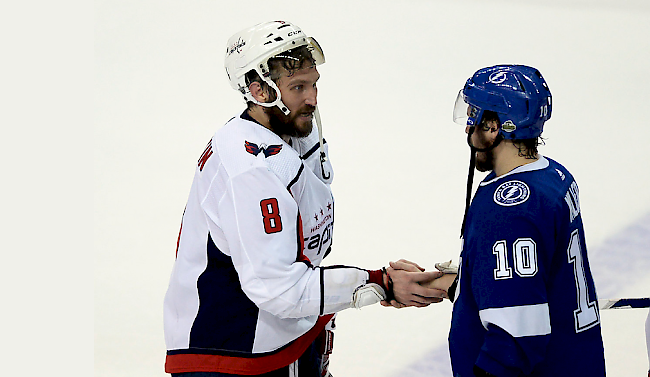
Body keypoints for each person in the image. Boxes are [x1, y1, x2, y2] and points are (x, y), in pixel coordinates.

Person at [162, 21, 445, 377]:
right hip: (230, 355)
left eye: (313, 84)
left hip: (281, 337)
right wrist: (379, 282)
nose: (312, 98)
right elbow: (277, 289)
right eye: (298, 87)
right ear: (260, 91)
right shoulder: (248, 170)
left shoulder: (293, 130)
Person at [423, 65, 606, 376]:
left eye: (472, 115)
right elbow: (538, 279)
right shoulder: (554, 177)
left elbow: (518, 338)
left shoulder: (509, 209)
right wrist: (467, 284)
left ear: (493, 126)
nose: (468, 128)